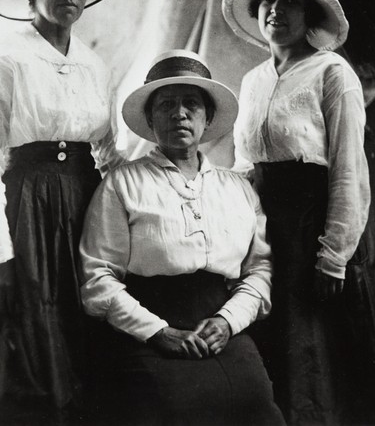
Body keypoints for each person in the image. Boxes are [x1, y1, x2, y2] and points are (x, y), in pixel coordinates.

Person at [222, 0, 375, 425]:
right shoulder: (253, 80)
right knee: (273, 346)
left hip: (314, 226)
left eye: (290, 2)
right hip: (268, 228)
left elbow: (348, 167)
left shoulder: (332, 73)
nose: (275, 9)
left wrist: (333, 254)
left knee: (317, 351)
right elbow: (244, 163)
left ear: (311, 16)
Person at [0, 0, 129, 424]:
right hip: (23, 212)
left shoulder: (94, 64)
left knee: (81, 332)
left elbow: (108, 151)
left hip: (81, 209)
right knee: (23, 340)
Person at [79, 49, 286, 425]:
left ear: (207, 119)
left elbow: (260, 270)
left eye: (191, 104)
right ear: (150, 119)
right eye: (166, 105)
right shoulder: (123, 184)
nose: (179, 114)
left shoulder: (236, 187)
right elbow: (98, 280)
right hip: (148, 334)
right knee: (173, 408)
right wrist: (158, 332)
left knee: (258, 403)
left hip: (223, 329)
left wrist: (227, 321)